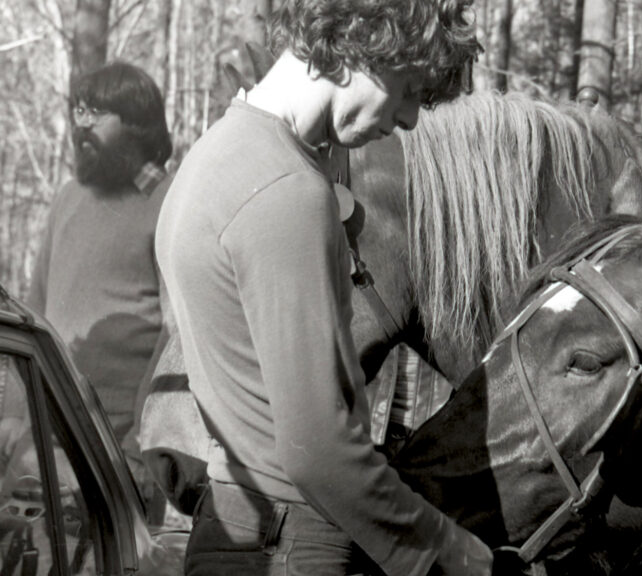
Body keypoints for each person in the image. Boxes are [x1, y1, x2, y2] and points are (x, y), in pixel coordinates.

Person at [155, 1, 488, 575]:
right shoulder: (285, 192)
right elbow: (319, 452)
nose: (410, 119)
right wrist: (451, 550)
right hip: (292, 542)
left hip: (231, 522)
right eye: (407, 89)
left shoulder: (215, 158)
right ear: (358, 45)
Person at [2, 62, 172, 478]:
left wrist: (140, 447)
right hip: (40, 433)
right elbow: (33, 313)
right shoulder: (67, 197)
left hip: (114, 453)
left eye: (97, 113)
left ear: (137, 124)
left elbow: (175, 338)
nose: (82, 125)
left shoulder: (170, 202)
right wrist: (13, 414)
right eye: (78, 112)